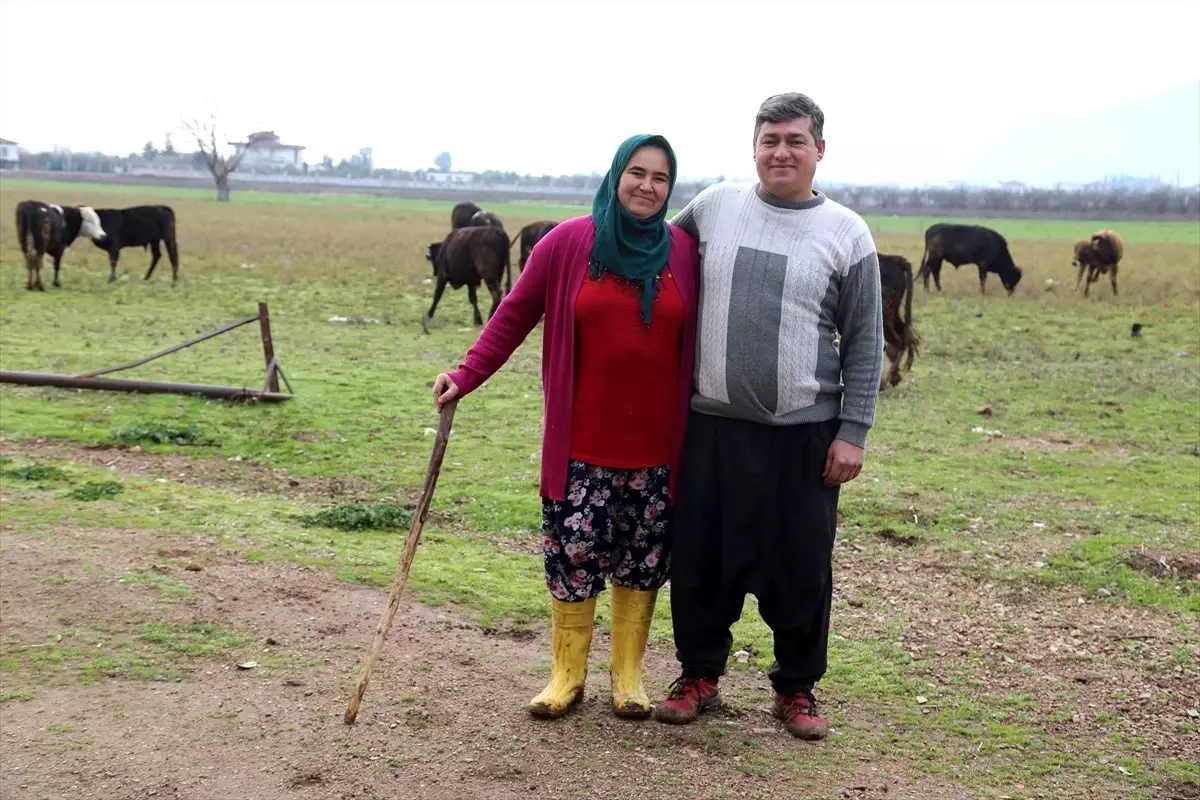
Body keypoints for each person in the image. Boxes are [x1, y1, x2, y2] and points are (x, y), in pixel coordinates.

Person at [432, 134, 700, 720]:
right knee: (573, 558)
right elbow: (514, 314)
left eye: (660, 178)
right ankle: (566, 674)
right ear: (615, 175)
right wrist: (466, 374)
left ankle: (628, 675)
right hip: (581, 445)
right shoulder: (568, 243)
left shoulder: (683, 251)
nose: (647, 186)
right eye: (637, 172)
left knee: (643, 561)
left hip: (656, 451)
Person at [653, 93, 884, 741]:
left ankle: (796, 688)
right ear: (754, 147)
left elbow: (866, 341)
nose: (781, 151)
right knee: (700, 558)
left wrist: (853, 432)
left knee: (801, 564)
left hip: (804, 437)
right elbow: (656, 258)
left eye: (795, 140)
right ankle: (698, 675)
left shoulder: (846, 233)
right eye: (770, 139)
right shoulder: (715, 207)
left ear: (819, 150)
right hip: (711, 429)